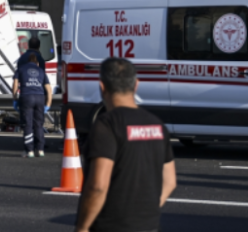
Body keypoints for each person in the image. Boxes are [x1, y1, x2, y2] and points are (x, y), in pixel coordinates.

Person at [75, 58, 176, 232]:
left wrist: (82, 228)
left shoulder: (106, 125)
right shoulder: (157, 125)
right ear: (136, 85)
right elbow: (170, 181)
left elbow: (98, 186)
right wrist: (145, 211)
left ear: (102, 87)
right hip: (149, 226)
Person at [12, 53, 51, 157]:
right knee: (38, 124)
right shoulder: (41, 71)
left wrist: (15, 99)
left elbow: (15, 84)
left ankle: (29, 151)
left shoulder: (21, 68)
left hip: (26, 97)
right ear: (37, 63)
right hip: (40, 98)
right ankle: (40, 149)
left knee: (27, 124)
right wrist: (48, 104)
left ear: (27, 62)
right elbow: (48, 89)